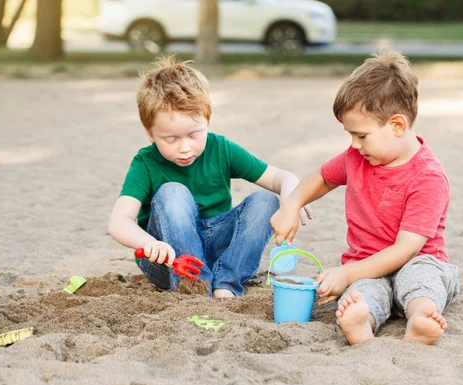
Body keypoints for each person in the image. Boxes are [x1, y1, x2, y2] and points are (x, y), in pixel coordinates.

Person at [270, 49, 459, 345]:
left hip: (417, 259)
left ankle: (421, 318)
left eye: (361, 135)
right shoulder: (357, 158)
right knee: (363, 293)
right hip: (367, 263)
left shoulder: (428, 177)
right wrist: (292, 204)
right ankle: (362, 323)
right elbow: (321, 177)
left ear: (396, 125)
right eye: (351, 136)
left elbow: (405, 250)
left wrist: (346, 272)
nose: (354, 145)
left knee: (421, 283)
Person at [108, 56, 312, 298]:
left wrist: (292, 200)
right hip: (170, 262)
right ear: (150, 133)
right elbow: (119, 221)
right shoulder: (145, 163)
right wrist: (149, 243)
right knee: (173, 192)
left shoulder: (221, 149)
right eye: (171, 139)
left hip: (219, 253)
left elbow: (281, 177)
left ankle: (227, 283)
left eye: (194, 135)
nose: (185, 148)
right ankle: (195, 285)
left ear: (207, 120)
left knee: (267, 201)